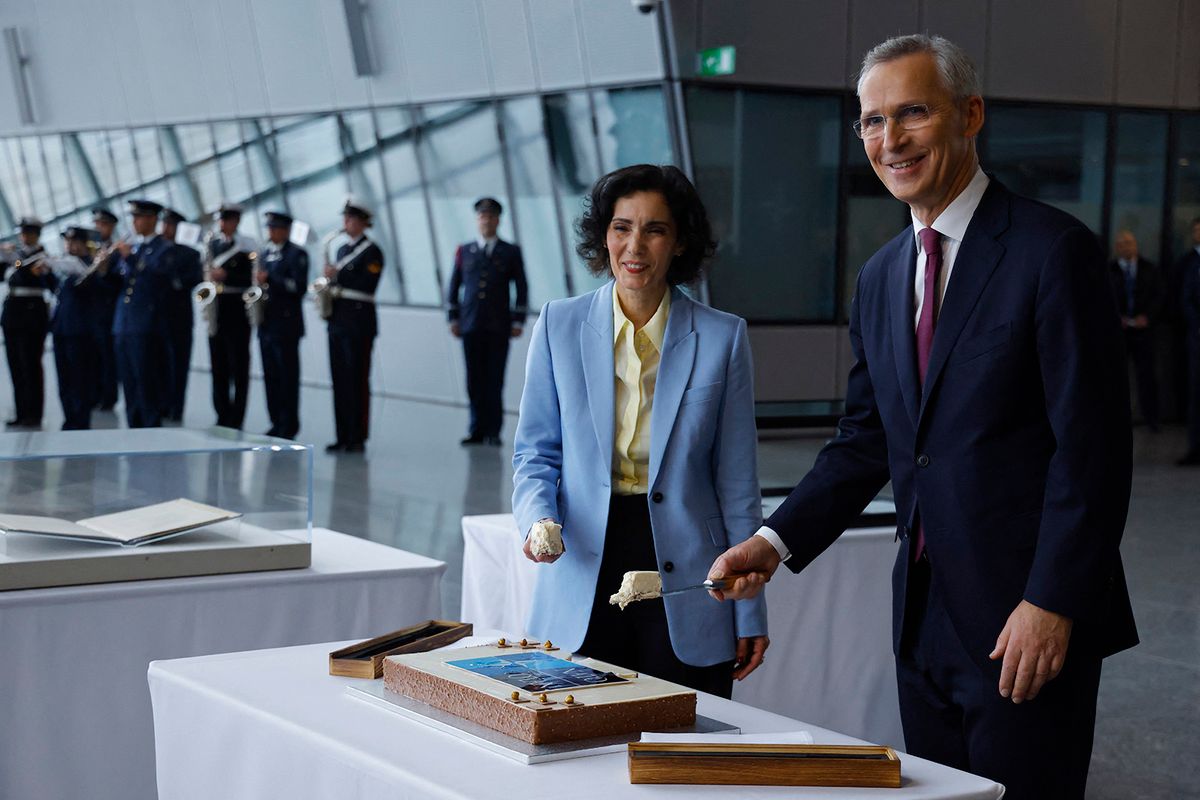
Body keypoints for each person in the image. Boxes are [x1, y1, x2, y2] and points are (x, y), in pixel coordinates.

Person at [707, 35, 1136, 798]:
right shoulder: (879, 278)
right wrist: (774, 541)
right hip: (923, 615)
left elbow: (1092, 451)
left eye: (912, 113)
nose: (890, 140)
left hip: (1027, 616)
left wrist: (1052, 602)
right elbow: (866, 440)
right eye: (872, 121)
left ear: (969, 115)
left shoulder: (1051, 251)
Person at [512, 164, 768, 697]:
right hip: (582, 561)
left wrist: (749, 613)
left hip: (693, 582)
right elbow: (536, 453)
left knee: (682, 750)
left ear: (678, 244)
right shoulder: (558, 324)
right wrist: (537, 518)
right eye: (622, 227)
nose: (635, 245)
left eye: (655, 229)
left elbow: (738, 486)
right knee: (579, 749)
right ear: (603, 235)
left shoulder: (723, 337)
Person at [447, 197, 528, 446]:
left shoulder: (510, 251)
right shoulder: (465, 250)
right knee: (474, 378)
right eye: (483, 216)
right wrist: (453, 316)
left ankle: (493, 430)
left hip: (498, 324)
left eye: (491, 216)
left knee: (494, 378)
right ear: (477, 219)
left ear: (498, 220)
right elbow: (454, 285)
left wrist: (518, 319)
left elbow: (521, 286)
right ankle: (476, 429)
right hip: (470, 323)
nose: (487, 220)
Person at [324, 199, 383, 453]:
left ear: (362, 222)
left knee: (357, 379)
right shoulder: (340, 251)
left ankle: (357, 436)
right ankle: (342, 434)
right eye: (344, 218)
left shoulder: (372, 252)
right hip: (338, 321)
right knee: (339, 380)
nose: (345, 223)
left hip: (359, 323)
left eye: (350, 219)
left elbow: (367, 285)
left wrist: (337, 275)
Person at [109, 199, 172, 429]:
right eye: (134, 217)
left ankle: (150, 428)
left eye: (139, 217)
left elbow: (156, 279)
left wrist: (130, 257)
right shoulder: (133, 247)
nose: (134, 221)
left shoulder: (163, 248)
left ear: (152, 219)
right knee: (129, 382)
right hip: (123, 323)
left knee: (147, 381)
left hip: (146, 324)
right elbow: (117, 282)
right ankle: (133, 426)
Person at [255, 211, 308, 440]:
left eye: (275, 228)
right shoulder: (265, 254)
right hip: (266, 323)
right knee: (271, 377)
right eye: (269, 228)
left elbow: (297, 287)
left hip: (286, 325)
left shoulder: (296, 255)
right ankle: (275, 420)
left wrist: (271, 280)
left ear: (285, 230)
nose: (271, 232)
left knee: (287, 377)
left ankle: (289, 423)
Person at [204, 203, 257, 429]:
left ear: (236, 221)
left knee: (239, 366)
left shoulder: (246, 247)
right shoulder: (212, 245)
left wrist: (227, 275)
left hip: (237, 309)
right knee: (218, 366)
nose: (222, 224)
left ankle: (237, 417)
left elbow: (251, 277)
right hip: (217, 309)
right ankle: (221, 413)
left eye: (227, 219)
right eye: (221, 219)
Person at [48, 226, 105, 430]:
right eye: (67, 242)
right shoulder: (64, 267)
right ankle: (69, 418)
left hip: (80, 331)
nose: (69, 246)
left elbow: (94, 290)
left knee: (80, 379)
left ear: (83, 244)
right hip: (61, 329)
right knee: (64, 380)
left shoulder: (90, 266)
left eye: (74, 242)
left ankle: (80, 420)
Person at [1, 217, 56, 428]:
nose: (25, 236)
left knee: (30, 364)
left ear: (36, 234)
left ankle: (34, 412)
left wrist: (13, 258)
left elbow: (24, 271)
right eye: (23, 232)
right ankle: (21, 410)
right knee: (15, 364)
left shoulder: (40, 256)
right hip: (13, 314)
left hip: (31, 314)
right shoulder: (15, 255)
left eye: (29, 233)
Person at [1108, 230, 1165, 430]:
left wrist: (1147, 317)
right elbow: (1103, 299)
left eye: (1130, 242)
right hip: (1118, 333)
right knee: (1114, 377)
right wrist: (1117, 317)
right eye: (1122, 243)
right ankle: (1115, 418)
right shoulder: (1108, 270)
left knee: (1147, 377)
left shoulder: (1150, 269)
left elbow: (1159, 296)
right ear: (1116, 247)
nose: (1127, 246)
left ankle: (1152, 419)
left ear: (1136, 245)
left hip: (1143, 331)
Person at [158, 208, 203, 422]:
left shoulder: (190, 253)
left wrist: (172, 275)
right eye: (164, 224)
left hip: (179, 317)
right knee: (160, 364)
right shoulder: (156, 249)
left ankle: (176, 406)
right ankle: (161, 403)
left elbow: (191, 279)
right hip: (157, 316)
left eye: (170, 225)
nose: (165, 229)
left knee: (178, 363)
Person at [1175, 218, 1200, 465]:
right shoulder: (1188, 263)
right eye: (1195, 230)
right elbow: (1184, 299)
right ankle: (1195, 449)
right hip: (1196, 338)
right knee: (1195, 395)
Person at [91, 207, 121, 410]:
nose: (98, 228)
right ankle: (95, 393)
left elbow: (116, 282)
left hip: (108, 308)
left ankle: (108, 396)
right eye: (97, 224)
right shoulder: (90, 249)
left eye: (102, 224)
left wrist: (103, 272)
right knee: (92, 355)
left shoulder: (117, 252)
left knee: (107, 355)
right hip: (90, 310)